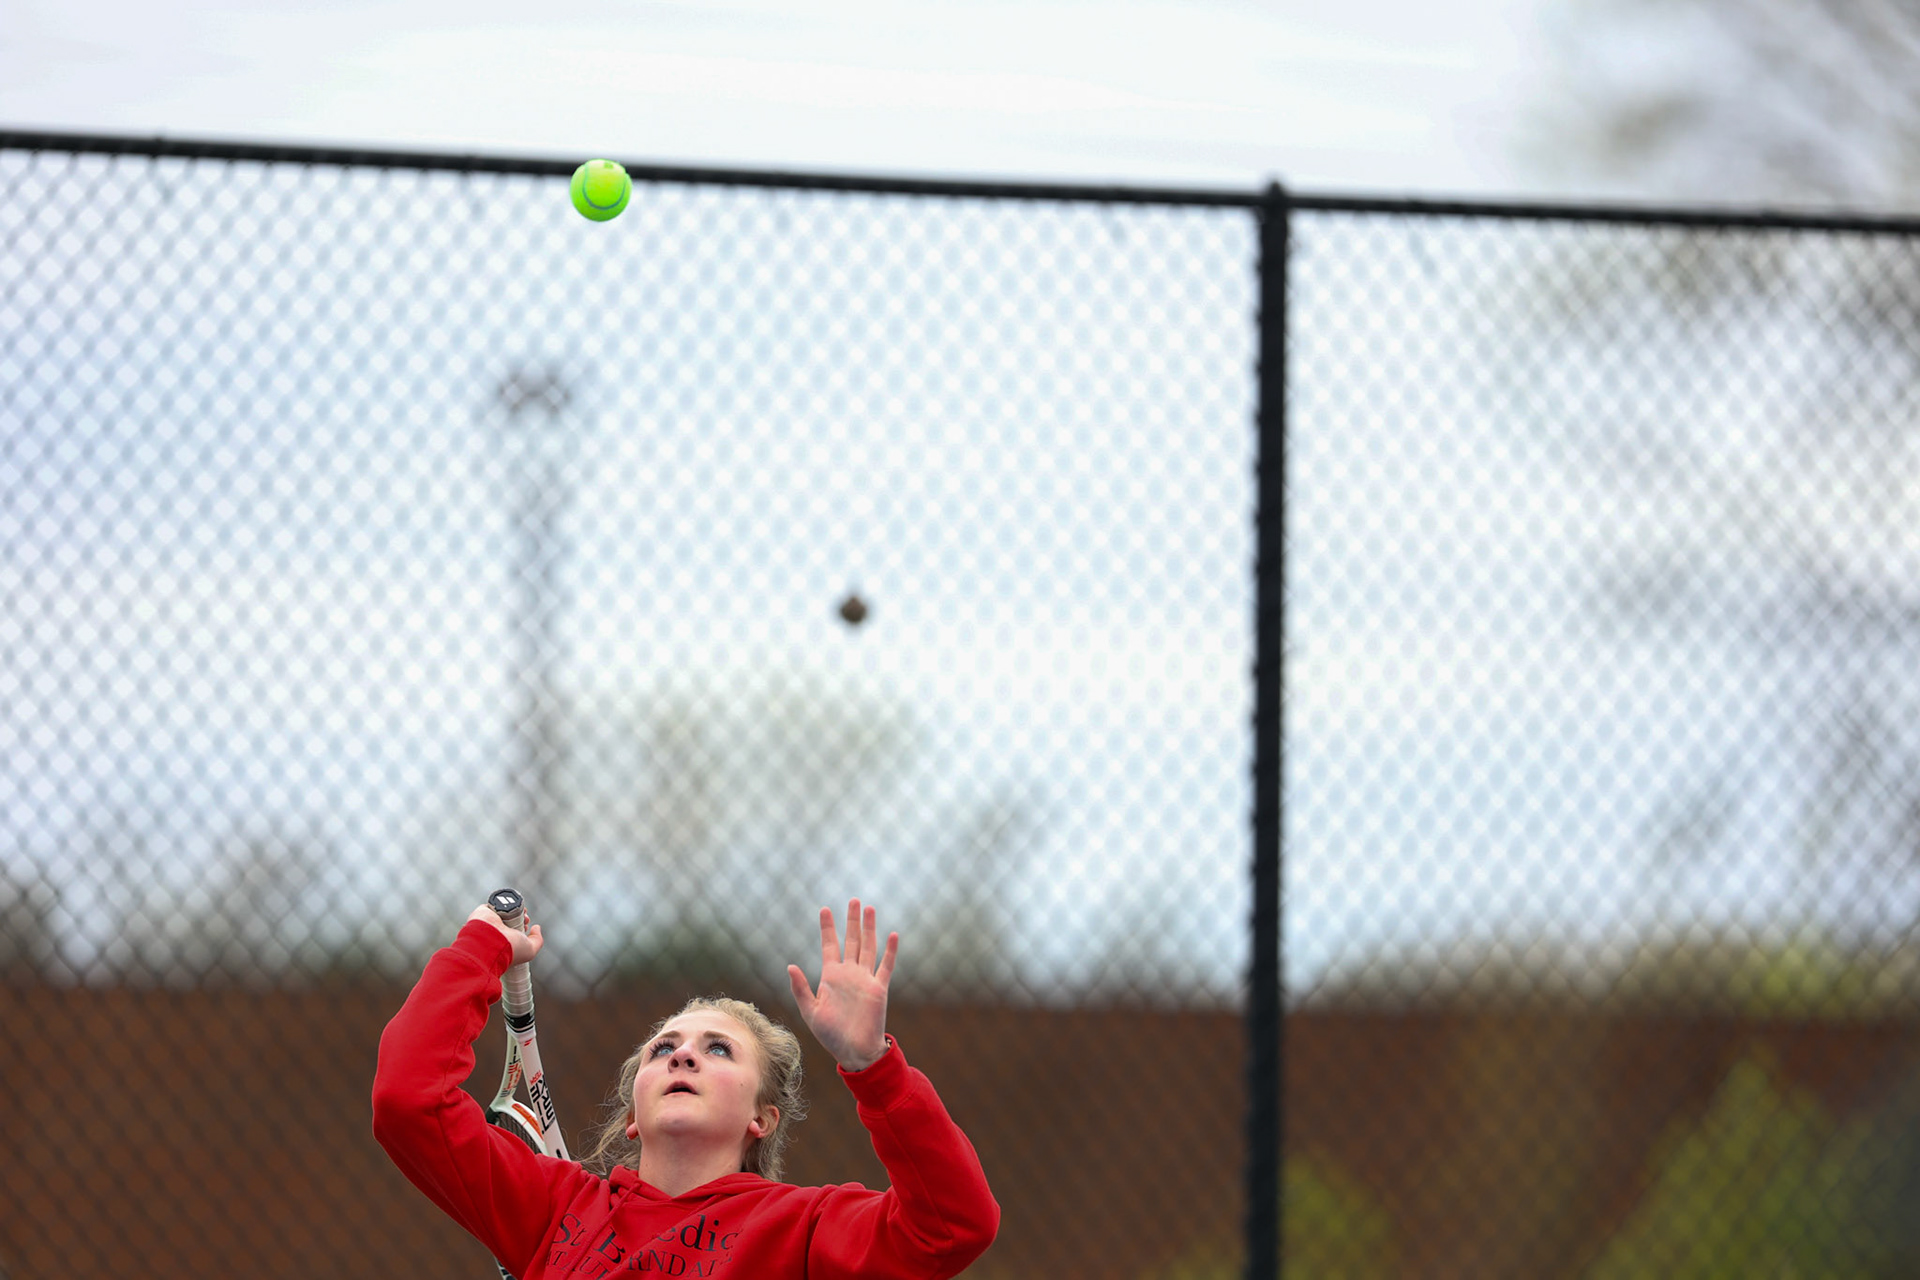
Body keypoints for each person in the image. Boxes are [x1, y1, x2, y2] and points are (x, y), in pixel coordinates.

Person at [372, 898, 999, 1279]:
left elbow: (954, 1227)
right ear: (633, 1119)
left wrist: (873, 1068)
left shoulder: (801, 1229)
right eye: (663, 1049)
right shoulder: (554, 1211)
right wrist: (479, 948)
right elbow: (409, 1100)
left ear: (763, 1118)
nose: (684, 1056)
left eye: (717, 1049)